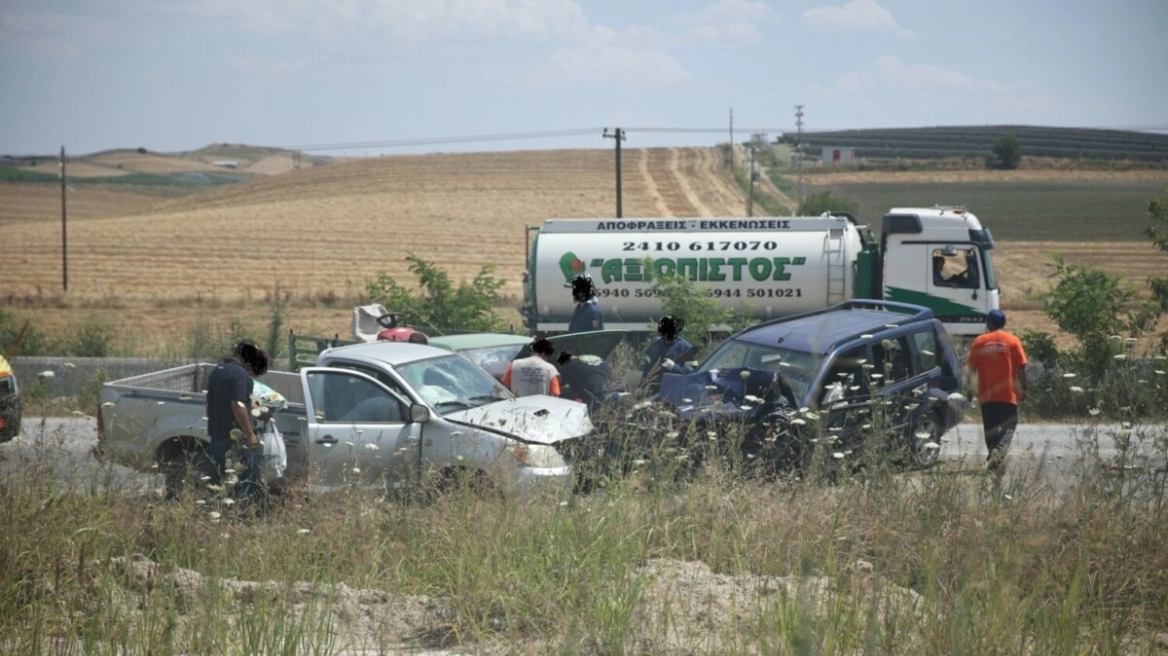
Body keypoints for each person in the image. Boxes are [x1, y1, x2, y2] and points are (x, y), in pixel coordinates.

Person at [205, 339, 270, 500]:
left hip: (217, 436)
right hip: (235, 440)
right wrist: (250, 434)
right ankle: (239, 518)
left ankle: (223, 517)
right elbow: (237, 404)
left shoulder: (217, 371)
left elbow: (210, 403)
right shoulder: (240, 374)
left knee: (223, 482)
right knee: (242, 483)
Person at [966, 309, 1028, 476]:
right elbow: (1021, 367)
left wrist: (970, 391)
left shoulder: (979, 341)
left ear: (989, 323)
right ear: (1003, 323)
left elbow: (971, 369)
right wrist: (1024, 388)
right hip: (1007, 394)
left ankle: (994, 456)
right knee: (1009, 424)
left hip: (986, 394)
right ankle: (997, 453)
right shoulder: (1013, 341)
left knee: (991, 428)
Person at [642, 315, 697, 383]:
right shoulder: (654, 344)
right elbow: (647, 367)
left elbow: (692, 374)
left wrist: (674, 367)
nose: (666, 336)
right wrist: (641, 385)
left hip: (674, 388)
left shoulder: (687, 348)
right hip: (652, 387)